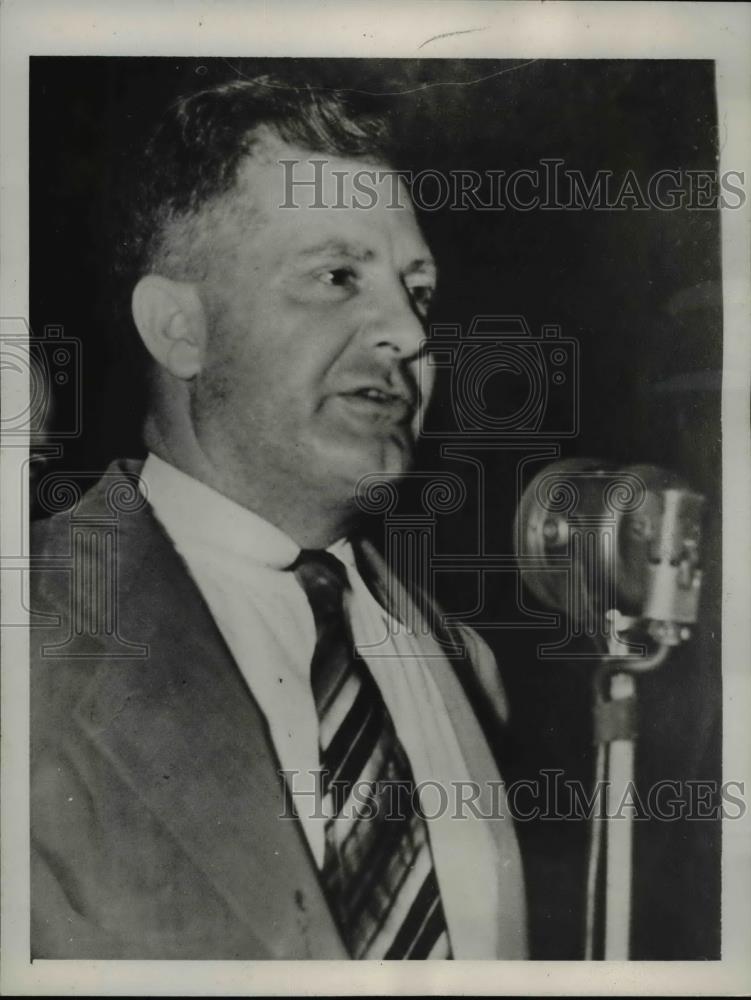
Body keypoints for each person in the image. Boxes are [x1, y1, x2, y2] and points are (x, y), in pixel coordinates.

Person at [30, 77, 527, 960]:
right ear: (179, 328)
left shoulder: (466, 664)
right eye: (337, 277)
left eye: (418, 290)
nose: (409, 335)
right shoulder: (30, 647)